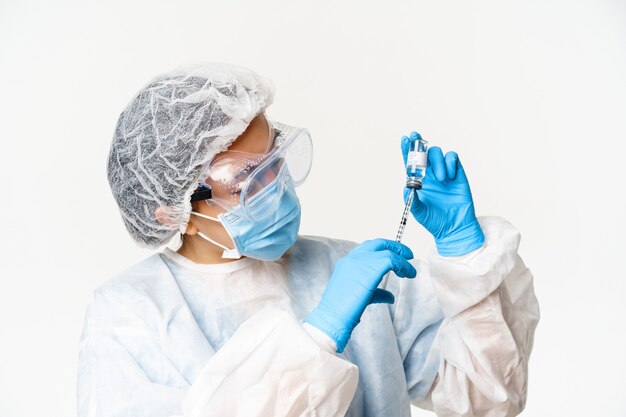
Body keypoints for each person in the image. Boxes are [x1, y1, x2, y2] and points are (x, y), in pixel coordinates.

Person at [77, 63, 540, 417]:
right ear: (173, 209)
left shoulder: (348, 269)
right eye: (246, 180)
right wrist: (318, 337)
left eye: (275, 158)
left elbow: (490, 396)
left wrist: (465, 252)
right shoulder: (129, 317)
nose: (275, 185)